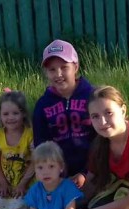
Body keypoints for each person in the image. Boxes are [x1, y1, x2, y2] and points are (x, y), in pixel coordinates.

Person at [32, 39, 95, 189]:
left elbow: (104, 140)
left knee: (92, 201)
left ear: (76, 67)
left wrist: (86, 173)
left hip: (94, 172)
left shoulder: (94, 97)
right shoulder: (43, 104)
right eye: (52, 69)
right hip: (59, 176)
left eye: (64, 67)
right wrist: (56, 175)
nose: (58, 74)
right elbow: (42, 145)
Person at [0, 89, 34, 209]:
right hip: (7, 180)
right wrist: (2, 182)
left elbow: (35, 161)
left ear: (23, 114)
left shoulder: (30, 135)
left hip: (26, 180)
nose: (10, 118)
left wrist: (23, 184)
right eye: (6, 114)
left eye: (15, 113)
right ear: (0, 116)